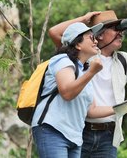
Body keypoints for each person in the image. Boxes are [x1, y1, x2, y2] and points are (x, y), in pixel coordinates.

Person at [48, 10, 127, 158]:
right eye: (115, 29)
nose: (121, 33)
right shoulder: (83, 54)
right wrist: (84, 19)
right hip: (80, 129)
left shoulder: (123, 60)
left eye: (121, 29)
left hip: (109, 134)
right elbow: (54, 33)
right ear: (100, 35)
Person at [31, 22, 116, 158]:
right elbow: (67, 93)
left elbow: (91, 110)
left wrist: (122, 107)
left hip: (75, 137)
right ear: (77, 44)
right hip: (52, 129)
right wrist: (92, 73)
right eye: (91, 38)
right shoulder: (62, 60)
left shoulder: (84, 71)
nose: (95, 41)